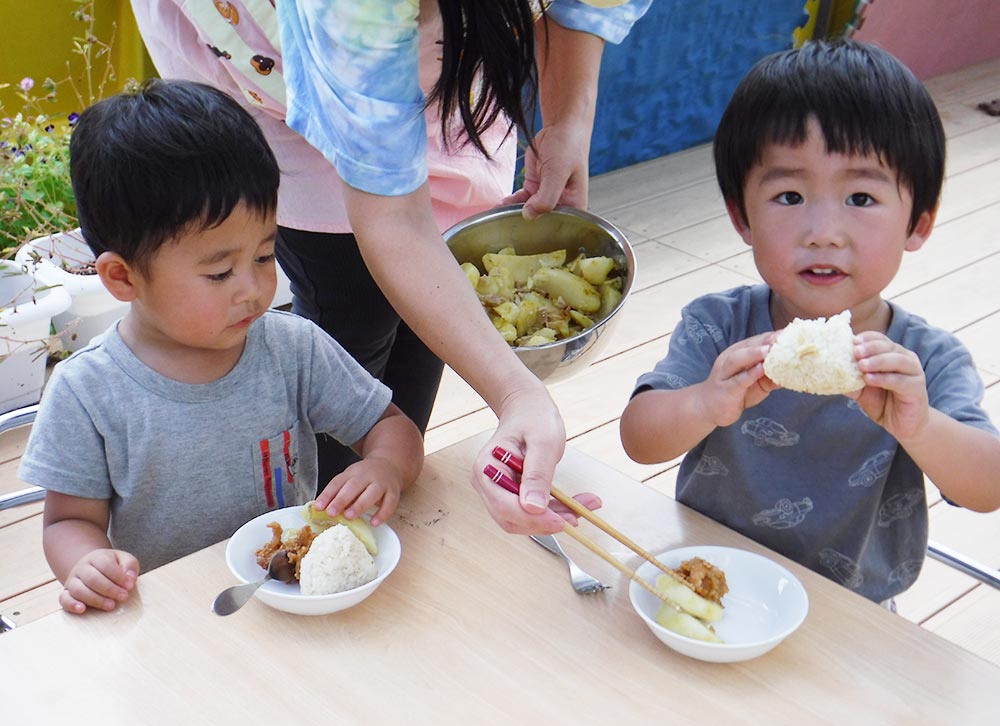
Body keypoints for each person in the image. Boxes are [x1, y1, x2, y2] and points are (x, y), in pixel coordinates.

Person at [127, 0, 650, 535]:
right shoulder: (354, 13)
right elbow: (393, 219)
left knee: (424, 318)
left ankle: (381, 486)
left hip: (426, 64)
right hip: (278, 64)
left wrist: (567, 121)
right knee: (351, 300)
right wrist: (518, 395)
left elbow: (584, 7)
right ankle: (319, 525)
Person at [18, 79, 426, 614]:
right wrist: (87, 565)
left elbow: (392, 427)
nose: (255, 289)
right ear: (122, 278)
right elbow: (70, 522)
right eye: (218, 273)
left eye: (263, 255)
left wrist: (385, 468)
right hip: (172, 614)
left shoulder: (291, 348)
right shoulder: (87, 392)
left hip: (285, 591)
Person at [618, 40, 1000, 603]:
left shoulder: (925, 359)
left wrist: (918, 427)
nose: (823, 230)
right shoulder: (720, 324)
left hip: (854, 609)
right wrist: (703, 402)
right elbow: (639, 439)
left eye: (862, 198)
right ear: (740, 216)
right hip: (711, 583)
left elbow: (987, 487)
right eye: (790, 195)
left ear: (918, 223)